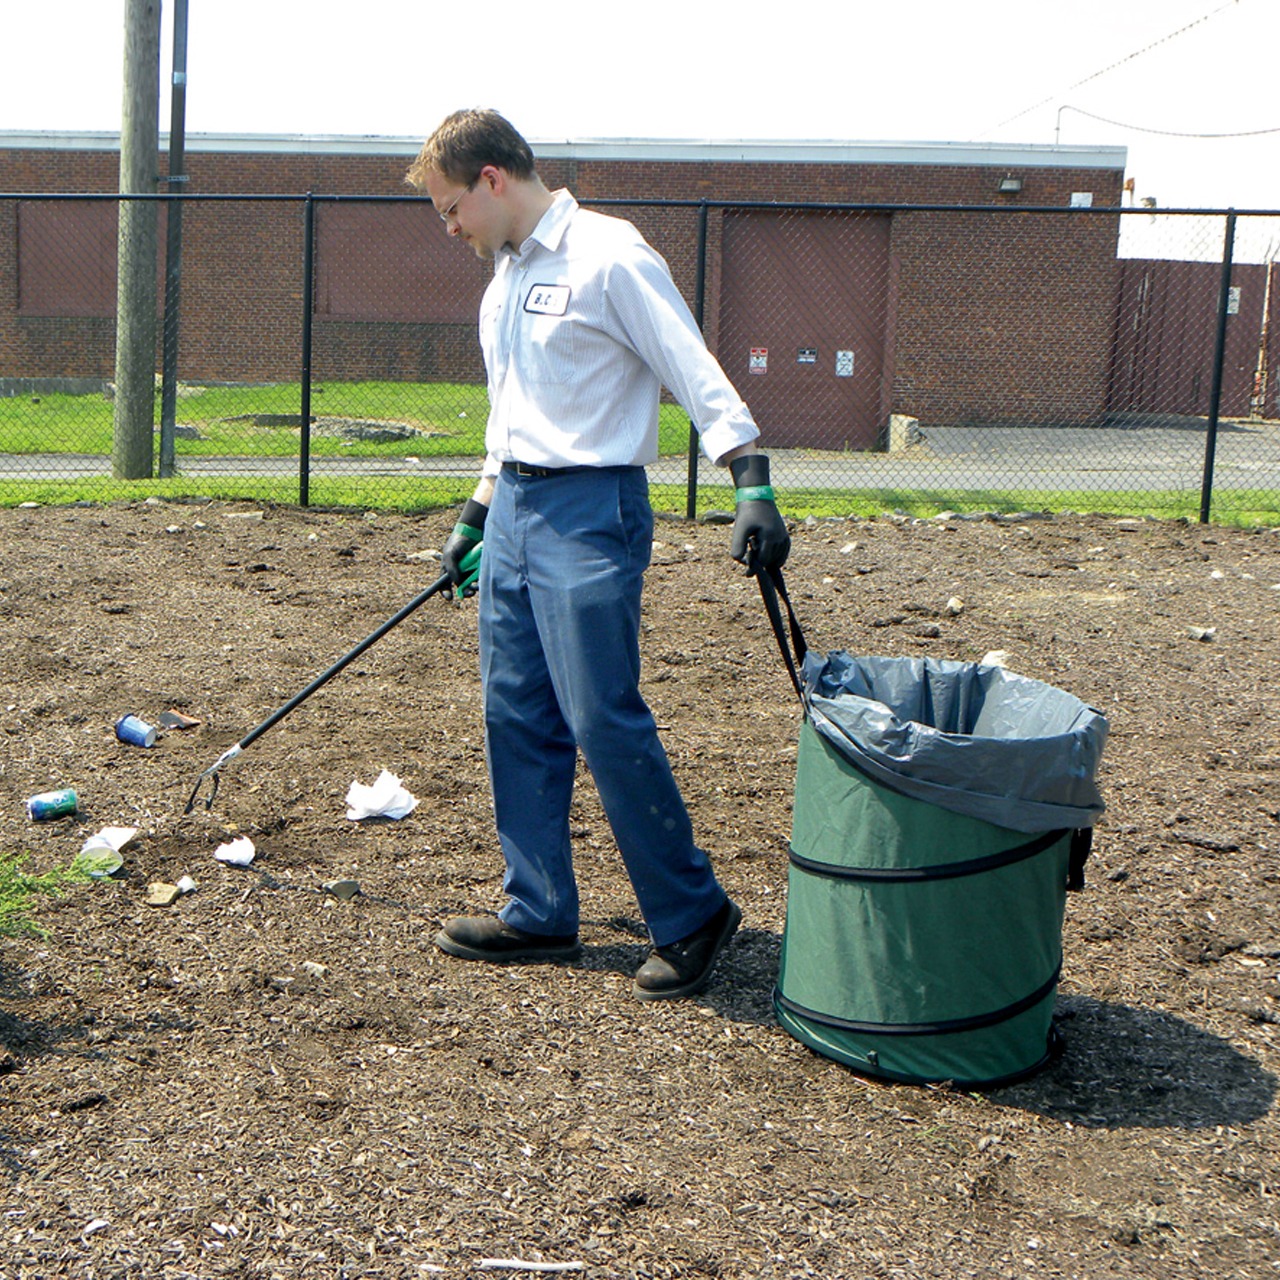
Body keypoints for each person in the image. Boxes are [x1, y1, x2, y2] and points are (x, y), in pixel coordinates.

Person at [406, 108, 790, 1001]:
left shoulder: (610, 256)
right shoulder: (502, 280)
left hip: (590, 511)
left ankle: (692, 913)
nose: (451, 226)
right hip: (516, 512)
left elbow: (691, 367)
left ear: (493, 179)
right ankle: (538, 910)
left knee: (601, 718)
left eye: (450, 207)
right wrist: (476, 514)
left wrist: (750, 478)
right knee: (515, 713)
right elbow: (512, 418)